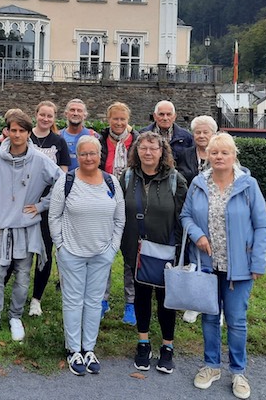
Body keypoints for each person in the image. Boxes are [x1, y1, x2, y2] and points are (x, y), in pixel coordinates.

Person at [180, 132, 266, 400]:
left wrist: (258, 261)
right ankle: (211, 366)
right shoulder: (199, 183)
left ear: (234, 156)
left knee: (236, 320)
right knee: (209, 317)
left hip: (239, 266)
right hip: (207, 264)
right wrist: (197, 235)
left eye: (225, 153)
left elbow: (263, 225)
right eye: (214, 153)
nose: (219, 157)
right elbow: (185, 215)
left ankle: (238, 371)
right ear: (207, 155)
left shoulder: (248, 184)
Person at [0, 110, 61, 345]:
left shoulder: (39, 159)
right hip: (0, 227)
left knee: (23, 277)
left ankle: (15, 317)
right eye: (13, 130)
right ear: (7, 131)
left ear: (28, 132)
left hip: (26, 227)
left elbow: (61, 182)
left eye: (21, 130)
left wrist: (42, 205)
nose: (17, 134)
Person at [49, 136, 124, 376]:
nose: (89, 158)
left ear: (100, 155)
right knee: (72, 301)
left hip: (102, 253)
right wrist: (60, 245)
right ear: (77, 156)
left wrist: (112, 248)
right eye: (84, 154)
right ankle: (73, 350)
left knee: (93, 302)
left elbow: (119, 218)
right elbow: (54, 216)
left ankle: (88, 348)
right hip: (71, 252)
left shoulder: (111, 182)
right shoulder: (66, 181)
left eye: (93, 153)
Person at [120, 131, 188, 373]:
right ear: (136, 151)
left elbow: (183, 217)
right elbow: (118, 212)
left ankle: (167, 346)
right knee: (140, 297)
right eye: (143, 148)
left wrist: (180, 252)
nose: (148, 153)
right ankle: (143, 342)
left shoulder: (175, 180)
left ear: (162, 152)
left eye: (153, 148)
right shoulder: (127, 177)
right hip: (135, 250)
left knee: (165, 300)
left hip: (165, 252)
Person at [174, 115, 218, 323]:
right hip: (190, 211)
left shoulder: (219, 154)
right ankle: (194, 302)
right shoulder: (184, 155)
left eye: (205, 132)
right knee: (192, 256)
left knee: (214, 258)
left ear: (213, 134)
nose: (201, 136)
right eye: (198, 132)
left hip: (215, 214)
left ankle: (216, 304)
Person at [28, 100, 70, 317]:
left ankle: (36, 298)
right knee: (19, 248)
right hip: (24, 202)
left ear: (54, 119)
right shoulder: (26, 137)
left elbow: (61, 178)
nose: (45, 119)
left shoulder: (59, 142)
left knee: (44, 249)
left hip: (48, 204)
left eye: (50, 116)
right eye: (42, 114)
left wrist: (44, 203)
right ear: (36, 114)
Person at [99, 101, 139, 325]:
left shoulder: (138, 140)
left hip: (132, 204)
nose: (119, 123)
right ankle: (102, 299)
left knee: (131, 257)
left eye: (122, 119)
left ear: (128, 121)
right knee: (104, 254)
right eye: (115, 118)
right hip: (105, 203)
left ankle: (131, 303)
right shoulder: (100, 140)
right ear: (109, 119)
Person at [60, 98, 99, 170]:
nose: (75, 113)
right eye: (72, 110)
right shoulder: (58, 136)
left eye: (79, 111)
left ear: (85, 115)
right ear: (66, 114)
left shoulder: (93, 136)